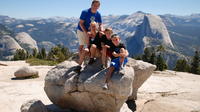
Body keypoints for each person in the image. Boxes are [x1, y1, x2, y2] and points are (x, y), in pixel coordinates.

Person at [75, 0, 103, 72]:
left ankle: (87, 59)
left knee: (90, 46)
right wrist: (87, 32)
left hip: (90, 31)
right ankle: (81, 62)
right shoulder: (85, 12)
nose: (96, 7)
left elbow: (100, 24)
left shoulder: (98, 14)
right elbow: (81, 23)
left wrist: (101, 31)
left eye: (97, 6)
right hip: (82, 30)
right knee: (81, 45)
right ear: (91, 5)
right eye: (94, 5)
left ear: (99, 6)